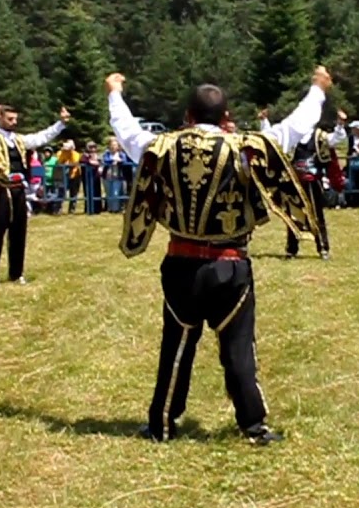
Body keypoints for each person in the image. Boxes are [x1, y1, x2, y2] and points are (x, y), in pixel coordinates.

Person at [106, 65, 333, 446]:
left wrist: (114, 93)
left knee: (176, 346)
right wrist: (317, 89)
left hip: (180, 263)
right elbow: (294, 128)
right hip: (230, 264)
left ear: (188, 117)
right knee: (238, 348)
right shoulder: (247, 147)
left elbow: (127, 132)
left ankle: (162, 424)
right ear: (226, 117)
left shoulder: (163, 146)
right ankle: (254, 427)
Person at [0, 103, 70, 289]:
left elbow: (40, 137)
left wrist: (60, 124)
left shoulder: (18, 139)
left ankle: (16, 273)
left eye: (15, 120)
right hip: (1, 189)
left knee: (19, 233)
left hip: (19, 189)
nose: (14, 123)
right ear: (1, 118)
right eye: (10, 119)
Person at [260, 108, 346, 259]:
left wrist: (340, 123)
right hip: (292, 182)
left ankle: (323, 248)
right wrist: (264, 121)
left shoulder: (319, 136)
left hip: (312, 182)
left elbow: (335, 139)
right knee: (293, 215)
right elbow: (270, 139)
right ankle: (292, 249)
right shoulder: (291, 137)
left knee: (317, 216)